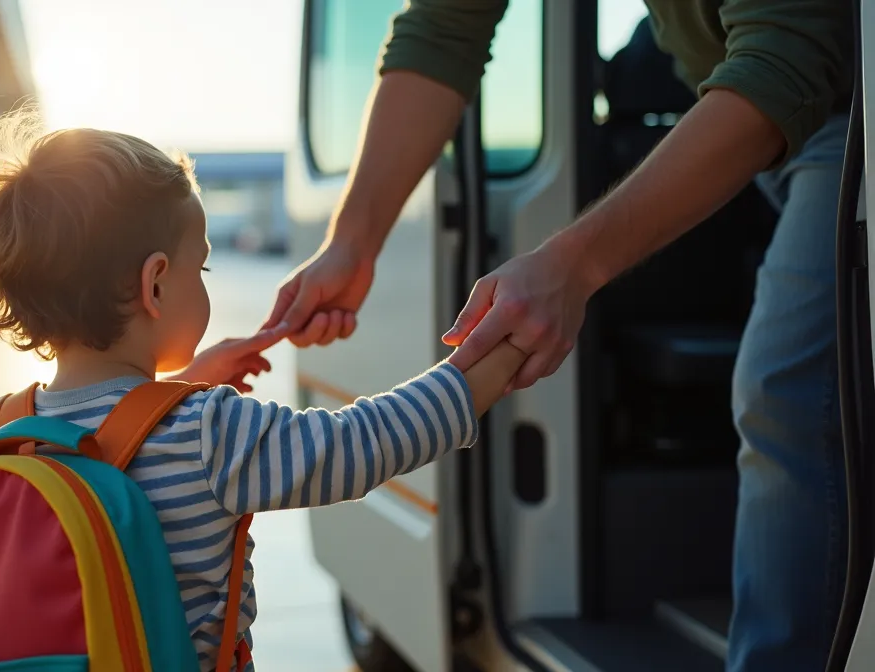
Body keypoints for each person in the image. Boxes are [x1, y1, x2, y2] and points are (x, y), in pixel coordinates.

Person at [263, 2, 853, 670]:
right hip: (776, 121)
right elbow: (444, 26)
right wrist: (352, 242)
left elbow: (788, 53)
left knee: (784, 394)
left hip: (848, 117)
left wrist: (574, 266)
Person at [0, 108, 529, 671]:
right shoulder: (208, 432)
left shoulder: (0, 428)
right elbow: (359, 445)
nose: (204, 281)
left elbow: (100, 441)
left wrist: (181, 387)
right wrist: (493, 359)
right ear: (155, 285)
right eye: (202, 268)